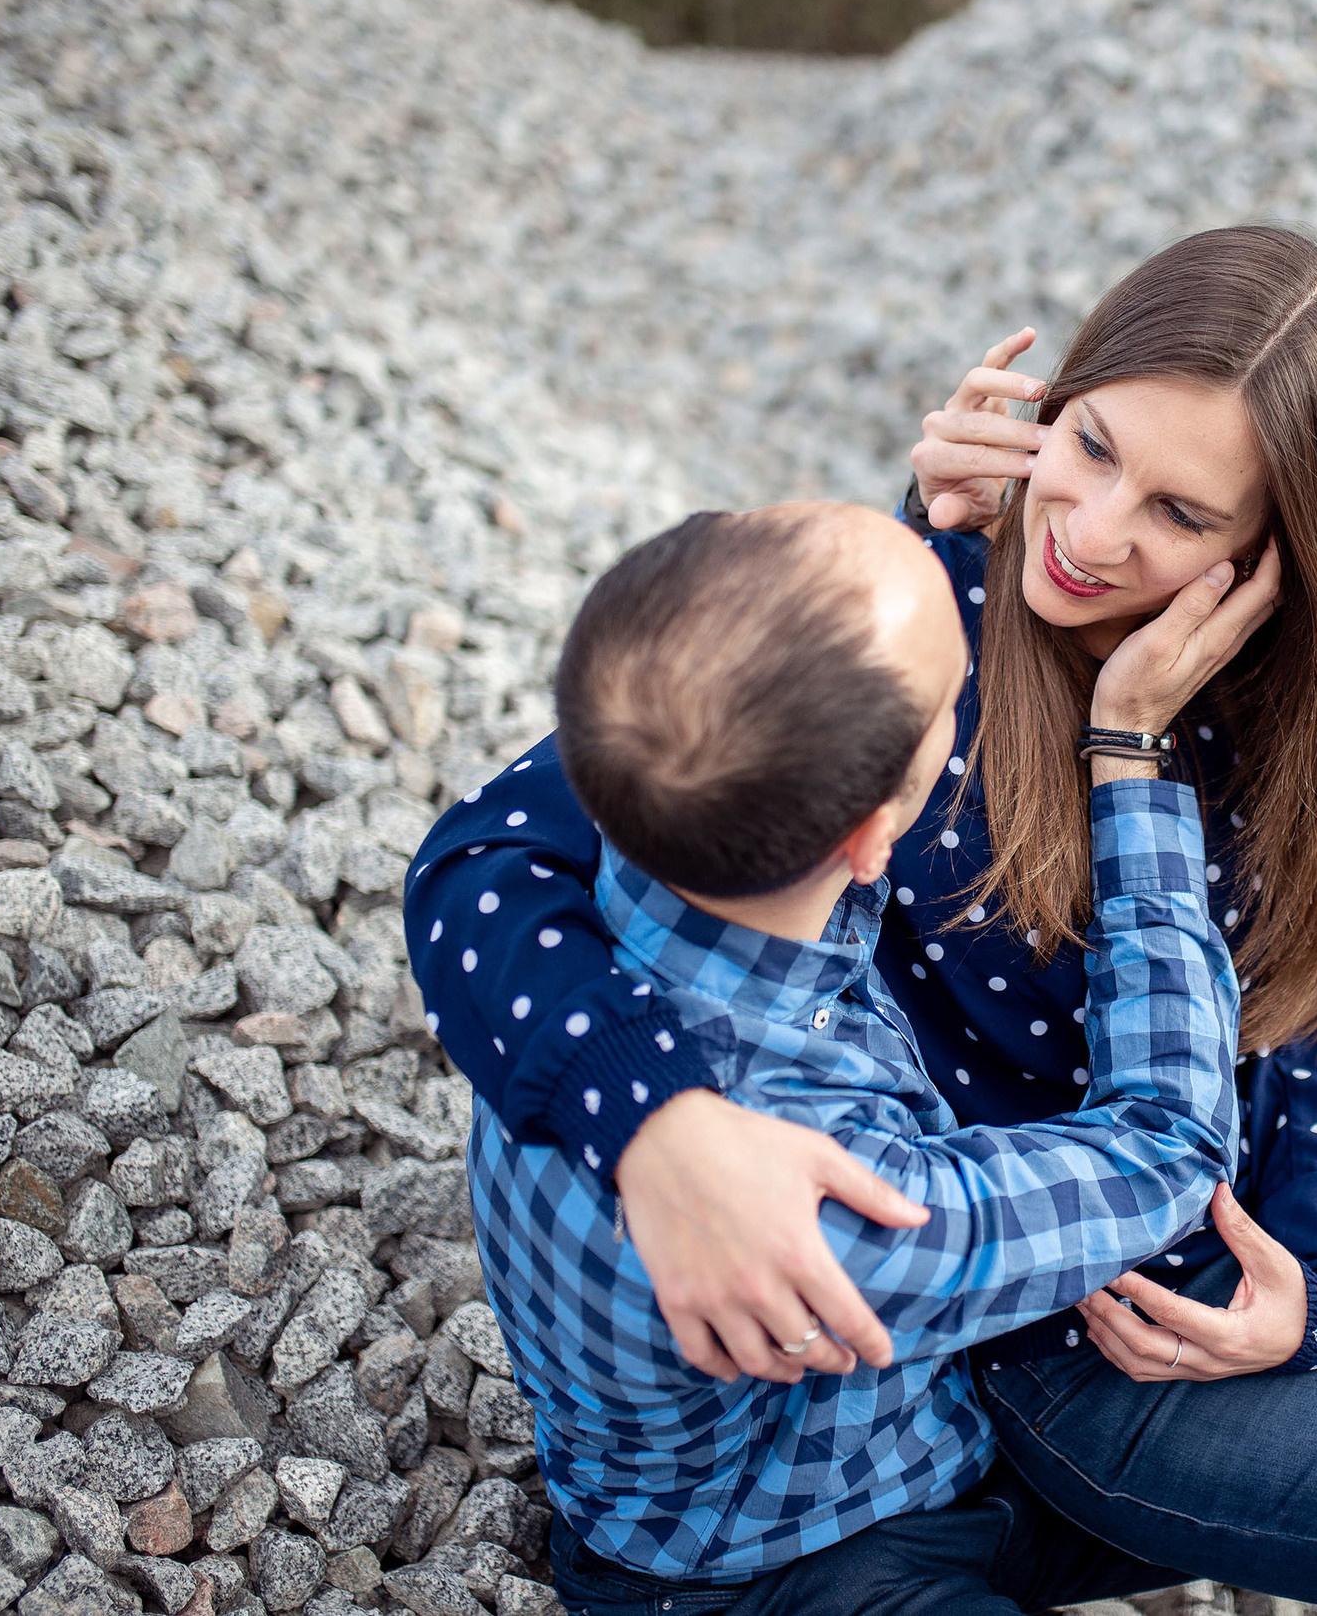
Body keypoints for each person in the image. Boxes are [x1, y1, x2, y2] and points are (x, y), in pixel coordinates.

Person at [412, 228, 1317, 1616]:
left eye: (1179, 512)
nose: (1094, 534)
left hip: (1241, 1173)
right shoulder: (889, 638)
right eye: (1091, 445)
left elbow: (1289, 1013)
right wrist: (657, 1121)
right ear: (1047, 402)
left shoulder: (1242, 690)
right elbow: (484, 870)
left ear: (1276, 558)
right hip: (1066, 1308)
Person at [415, 501, 1269, 1612]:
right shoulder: (808, 1182)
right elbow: (1170, 1147)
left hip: (880, 1450)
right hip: (779, 1568)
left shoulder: (618, 887)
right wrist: (1131, 758)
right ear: (874, 836)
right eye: (952, 696)